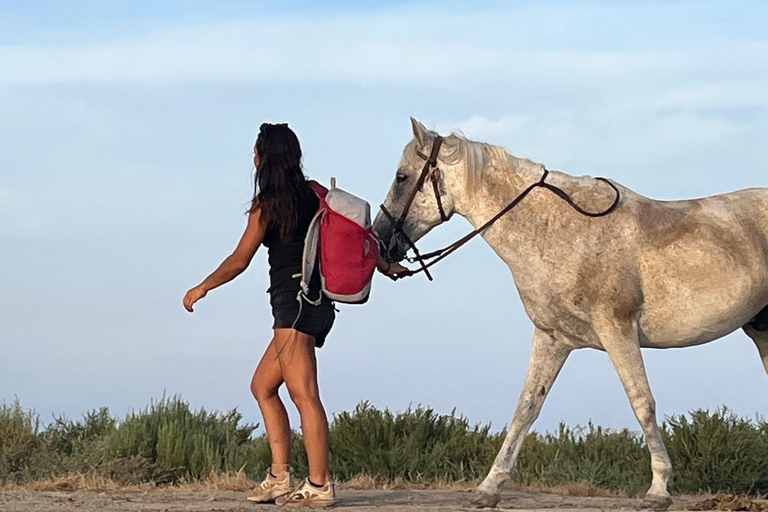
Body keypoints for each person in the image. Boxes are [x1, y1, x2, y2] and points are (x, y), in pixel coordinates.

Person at [182, 123, 406, 507]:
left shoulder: (268, 205)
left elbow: (239, 260)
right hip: (315, 305)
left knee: (305, 395)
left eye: (256, 152)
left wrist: (202, 287)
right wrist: (386, 266)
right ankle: (279, 477)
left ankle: (319, 485)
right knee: (263, 387)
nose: (253, 158)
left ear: (264, 159)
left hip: (295, 306)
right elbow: (350, 237)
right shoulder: (315, 194)